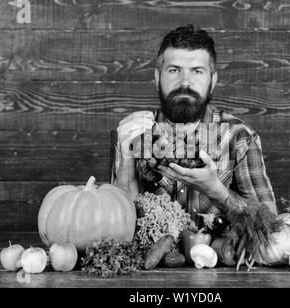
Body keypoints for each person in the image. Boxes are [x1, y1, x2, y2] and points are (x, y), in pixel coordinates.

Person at [114, 25, 277, 226]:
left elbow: (270, 223)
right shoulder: (134, 133)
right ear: (157, 78)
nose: (185, 82)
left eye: (197, 71)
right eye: (174, 70)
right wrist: (127, 159)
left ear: (213, 81)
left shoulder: (239, 137)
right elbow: (116, 226)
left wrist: (216, 190)